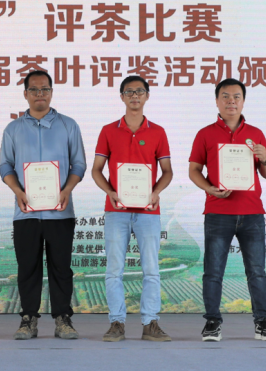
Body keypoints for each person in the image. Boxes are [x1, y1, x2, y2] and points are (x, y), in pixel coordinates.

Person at [188, 78, 266, 342]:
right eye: (225, 96)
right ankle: (212, 322)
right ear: (217, 101)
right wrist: (209, 188)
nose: (231, 101)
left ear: (243, 101)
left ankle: (263, 322)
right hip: (218, 212)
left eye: (236, 96)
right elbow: (194, 170)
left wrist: (264, 157)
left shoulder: (256, 134)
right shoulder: (205, 134)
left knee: (257, 272)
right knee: (213, 272)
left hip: (252, 213)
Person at [0, 70, 86, 340]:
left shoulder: (68, 125)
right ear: (25, 94)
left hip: (60, 212)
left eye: (45, 89)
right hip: (25, 212)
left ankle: (63, 319)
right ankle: (28, 319)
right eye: (34, 89)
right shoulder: (13, 128)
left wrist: (67, 189)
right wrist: (17, 191)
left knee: (61, 267)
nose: (40, 94)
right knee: (28, 268)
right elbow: (5, 165)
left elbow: (79, 164)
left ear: (51, 92)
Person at [92, 75, 173, 342]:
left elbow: (167, 171)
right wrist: (110, 192)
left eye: (139, 91)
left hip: (148, 211)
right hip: (116, 210)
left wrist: (156, 192)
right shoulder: (108, 131)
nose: (134, 96)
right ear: (122, 97)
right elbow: (96, 170)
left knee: (151, 269)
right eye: (129, 92)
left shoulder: (158, 132)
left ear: (147, 96)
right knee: (114, 269)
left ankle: (150, 323)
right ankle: (116, 322)